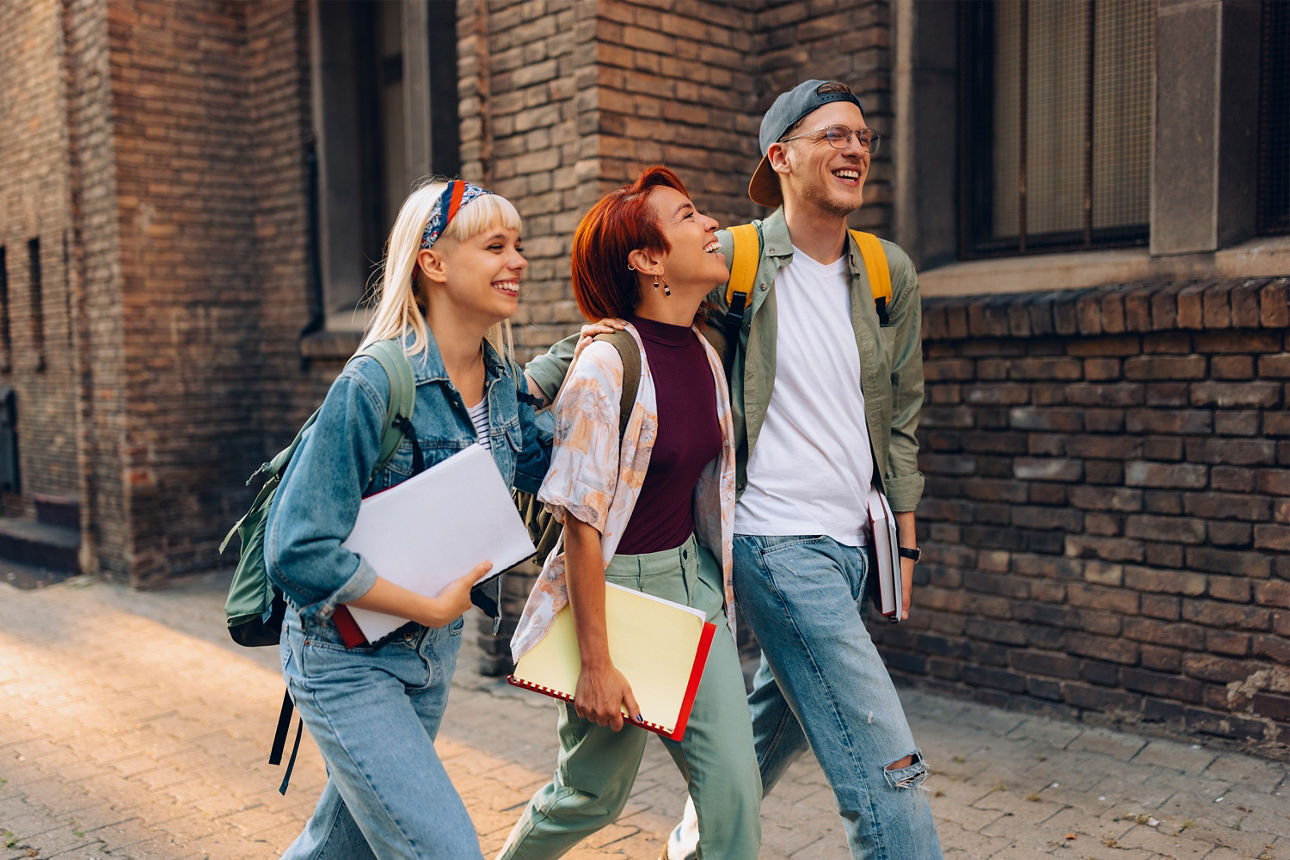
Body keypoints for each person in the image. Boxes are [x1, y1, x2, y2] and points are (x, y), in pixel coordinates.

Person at [525, 81, 942, 860]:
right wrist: (507, 390)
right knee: (885, 763)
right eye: (832, 135)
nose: (854, 149)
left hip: (852, 543)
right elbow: (609, 334)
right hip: (773, 540)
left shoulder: (889, 272)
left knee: (754, 750)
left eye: (862, 136)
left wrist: (903, 542)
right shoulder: (739, 258)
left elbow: (901, 418)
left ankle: (694, 847)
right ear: (780, 157)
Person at [266, 179, 549, 859]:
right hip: (343, 659)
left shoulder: (503, 384)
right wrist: (427, 605)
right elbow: (296, 549)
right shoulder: (372, 384)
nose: (518, 260)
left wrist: (613, 347)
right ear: (433, 263)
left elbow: (556, 467)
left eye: (518, 246)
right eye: (496, 246)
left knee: (340, 849)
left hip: (430, 654)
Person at [499, 166, 761, 860]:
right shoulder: (605, 365)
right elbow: (580, 525)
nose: (712, 225)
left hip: (694, 588)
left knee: (734, 796)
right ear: (647, 261)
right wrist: (596, 663)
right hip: (614, 597)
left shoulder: (705, 354)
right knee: (591, 796)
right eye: (688, 217)